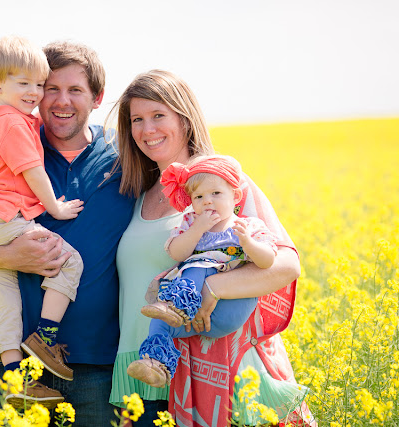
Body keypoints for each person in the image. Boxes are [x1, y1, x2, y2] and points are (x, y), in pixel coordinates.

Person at [0, 40, 135, 425]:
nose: (60, 101)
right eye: (50, 88)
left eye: (75, 90)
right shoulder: (11, 146)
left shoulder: (125, 155)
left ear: (97, 97)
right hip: (2, 367)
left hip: (94, 365)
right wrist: (1, 257)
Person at [108, 69, 315, 426]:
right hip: (142, 369)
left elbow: (285, 265)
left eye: (159, 115)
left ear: (185, 121)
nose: (147, 129)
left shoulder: (224, 184)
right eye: (136, 120)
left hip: (206, 367)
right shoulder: (137, 192)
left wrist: (211, 287)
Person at [0, 35, 84, 394]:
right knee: (69, 262)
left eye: (38, 84)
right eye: (24, 84)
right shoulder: (13, 124)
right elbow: (33, 171)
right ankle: (45, 337)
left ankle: (17, 378)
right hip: (3, 217)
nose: (34, 92)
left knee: (6, 302)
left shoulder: (9, 120)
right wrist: (56, 208)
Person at [126, 154, 279, 388]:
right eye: (199, 196)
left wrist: (248, 244)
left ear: (235, 196)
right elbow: (177, 253)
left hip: (231, 307)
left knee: (198, 265)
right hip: (192, 316)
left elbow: (268, 261)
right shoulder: (190, 222)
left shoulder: (247, 227)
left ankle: (177, 303)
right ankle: (156, 365)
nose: (207, 201)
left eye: (215, 194)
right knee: (159, 321)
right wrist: (197, 229)